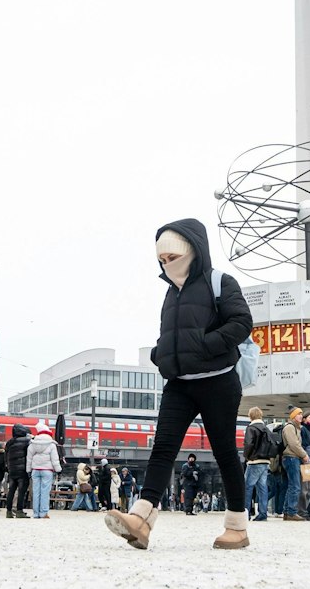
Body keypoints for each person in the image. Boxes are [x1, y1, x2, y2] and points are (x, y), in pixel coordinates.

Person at [102, 219, 252, 551]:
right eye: (162, 260)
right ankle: (141, 519)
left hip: (218, 382)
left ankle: (237, 527)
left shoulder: (220, 282)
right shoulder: (171, 293)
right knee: (163, 449)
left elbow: (242, 322)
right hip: (180, 385)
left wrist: (204, 345)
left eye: (173, 257)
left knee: (225, 453)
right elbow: (171, 338)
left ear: (191, 251)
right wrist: (161, 355)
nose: (167, 264)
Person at [241, 406, 271, 521]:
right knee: (262, 488)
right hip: (265, 461)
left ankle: (246, 513)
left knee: (248, 487)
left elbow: (248, 444)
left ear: (250, 416)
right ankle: (263, 513)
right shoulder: (265, 428)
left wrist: (247, 457)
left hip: (255, 461)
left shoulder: (251, 428)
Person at [26, 419, 61, 518]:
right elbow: (55, 459)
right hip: (47, 470)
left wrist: (28, 470)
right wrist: (58, 470)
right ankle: (44, 513)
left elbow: (29, 459)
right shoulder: (51, 444)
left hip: (35, 470)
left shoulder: (33, 444)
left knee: (36, 492)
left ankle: (36, 513)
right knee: (45, 492)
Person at [3, 423, 30, 518]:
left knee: (11, 490)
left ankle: (9, 511)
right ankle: (19, 511)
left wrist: (9, 467)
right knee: (22, 491)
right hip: (22, 470)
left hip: (12, 470)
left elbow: (5, 456)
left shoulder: (9, 442)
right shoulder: (27, 441)